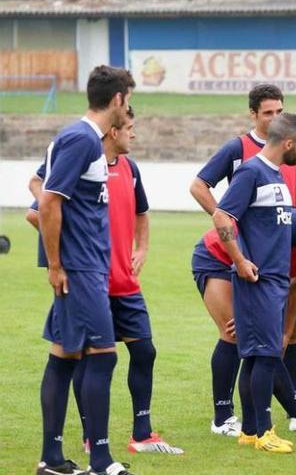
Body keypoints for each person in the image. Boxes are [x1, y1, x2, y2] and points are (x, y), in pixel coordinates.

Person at [28, 107, 184, 456]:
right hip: (90, 278)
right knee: (89, 357)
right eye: (130, 127)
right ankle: (90, 438)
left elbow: (142, 212)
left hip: (124, 281)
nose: (134, 134)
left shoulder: (130, 169)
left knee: (144, 350)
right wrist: (65, 253)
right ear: (113, 130)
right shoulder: (81, 153)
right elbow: (38, 201)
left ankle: (141, 435)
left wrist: (141, 248)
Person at [189, 84, 296, 435]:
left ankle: (293, 412)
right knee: (238, 335)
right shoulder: (243, 154)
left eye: (280, 111)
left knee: (288, 334)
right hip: (232, 255)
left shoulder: (290, 154)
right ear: (253, 114)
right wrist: (234, 228)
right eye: (268, 112)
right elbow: (200, 187)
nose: (275, 117)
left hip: (276, 254)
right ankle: (225, 417)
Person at [36, 65, 136, 475]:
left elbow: (48, 193)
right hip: (79, 269)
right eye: (127, 101)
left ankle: (52, 459)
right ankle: (100, 460)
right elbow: (48, 202)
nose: (128, 109)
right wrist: (57, 265)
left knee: (64, 355)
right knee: (103, 357)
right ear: (116, 100)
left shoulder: (84, 140)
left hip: (85, 266)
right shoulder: (80, 139)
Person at [194, 207, 296, 433]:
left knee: (267, 342)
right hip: (218, 256)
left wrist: (286, 332)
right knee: (234, 334)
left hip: (256, 272)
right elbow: (256, 257)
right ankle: (222, 419)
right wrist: (249, 315)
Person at [211, 112, 296, 454]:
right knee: (266, 355)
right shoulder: (251, 171)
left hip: (276, 280)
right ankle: (265, 431)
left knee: (254, 357)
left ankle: (250, 430)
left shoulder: (278, 174)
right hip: (259, 280)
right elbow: (221, 215)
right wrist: (239, 260)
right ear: (289, 143)